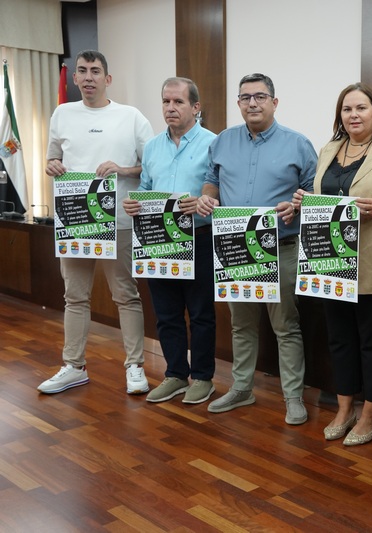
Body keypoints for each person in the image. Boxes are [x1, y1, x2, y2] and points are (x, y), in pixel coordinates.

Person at [292, 83, 372, 445]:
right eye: (347, 109)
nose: (354, 115)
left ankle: (371, 414)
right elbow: (328, 199)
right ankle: (345, 408)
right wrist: (306, 201)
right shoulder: (328, 149)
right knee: (340, 339)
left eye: (361, 108)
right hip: (330, 260)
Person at [196, 73, 317, 424]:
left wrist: (298, 205)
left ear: (274, 103)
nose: (252, 103)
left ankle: (293, 397)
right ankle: (241, 388)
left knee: (286, 327)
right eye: (245, 97)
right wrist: (207, 197)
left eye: (260, 96)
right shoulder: (222, 141)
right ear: (238, 103)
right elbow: (212, 180)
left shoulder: (298, 144)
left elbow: (314, 192)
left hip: (281, 246)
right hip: (235, 246)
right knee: (241, 325)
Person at [38, 50, 154, 395]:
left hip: (119, 220)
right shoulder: (62, 113)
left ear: (108, 78)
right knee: (74, 296)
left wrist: (123, 169)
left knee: (126, 295)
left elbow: (152, 166)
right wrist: (52, 165)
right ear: (74, 78)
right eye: (82, 71)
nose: (89, 77)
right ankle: (74, 366)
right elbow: (52, 158)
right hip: (75, 220)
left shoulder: (131, 116)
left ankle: (135, 366)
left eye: (95, 71)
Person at [122, 77, 217, 405]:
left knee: (201, 314)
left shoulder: (213, 143)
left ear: (195, 107)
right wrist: (135, 202)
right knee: (166, 314)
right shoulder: (152, 147)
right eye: (166, 101)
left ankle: (202, 377)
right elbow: (146, 188)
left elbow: (220, 190)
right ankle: (176, 374)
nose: (170, 108)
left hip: (199, 238)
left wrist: (203, 202)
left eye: (178, 102)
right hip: (158, 239)